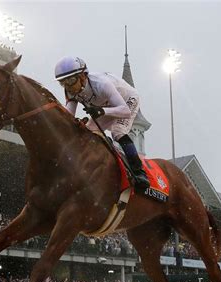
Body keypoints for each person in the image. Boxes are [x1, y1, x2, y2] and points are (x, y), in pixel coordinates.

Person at [54, 56, 149, 189]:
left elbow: (125, 111)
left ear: (82, 76)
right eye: (63, 82)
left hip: (127, 101)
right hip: (106, 106)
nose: (68, 86)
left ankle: (139, 172)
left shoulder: (101, 84)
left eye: (70, 80)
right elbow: (68, 117)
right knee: (88, 131)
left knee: (118, 131)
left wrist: (102, 111)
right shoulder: (71, 92)